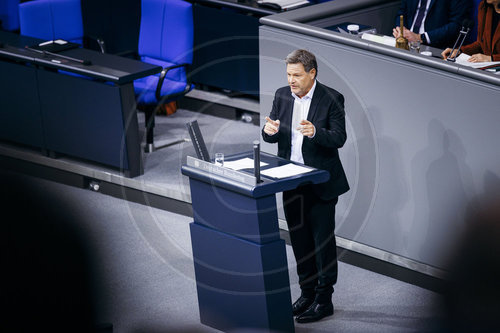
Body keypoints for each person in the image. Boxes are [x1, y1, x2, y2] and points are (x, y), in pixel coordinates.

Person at [262, 49, 349, 323]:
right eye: (288, 74)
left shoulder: (332, 98)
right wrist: (268, 132)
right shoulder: (281, 95)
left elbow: (339, 138)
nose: (291, 80)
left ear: (312, 73)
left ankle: (324, 300)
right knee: (299, 241)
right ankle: (307, 293)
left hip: (321, 182)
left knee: (322, 243)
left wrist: (316, 132)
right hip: (291, 181)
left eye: (297, 75)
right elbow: (272, 133)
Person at [393, 0, 473, 49]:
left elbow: (456, 26)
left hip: (434, 46)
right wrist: (400, 30)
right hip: (405, 42)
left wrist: (420, 37)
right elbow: (402, 12)